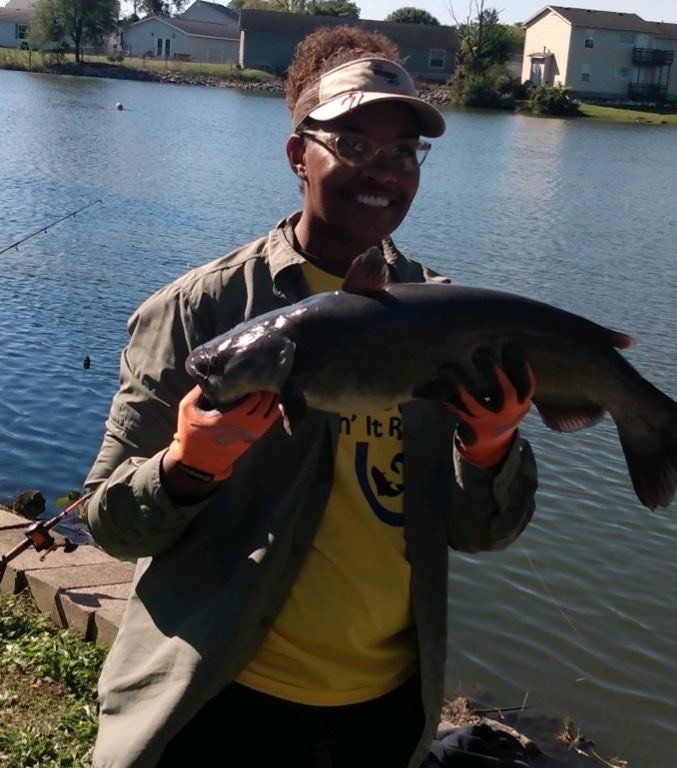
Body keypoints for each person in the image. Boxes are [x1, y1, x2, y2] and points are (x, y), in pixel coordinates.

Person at [84, 25, 539, 768]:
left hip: (384, 715)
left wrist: (489, 451)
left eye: (402, 152)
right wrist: (186, 468)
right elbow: (112, 524)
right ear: (299, 153)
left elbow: (482, 533)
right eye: (353, 144)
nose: (382, 171)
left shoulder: (446, 318)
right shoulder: (200, 313)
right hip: (218, 700)